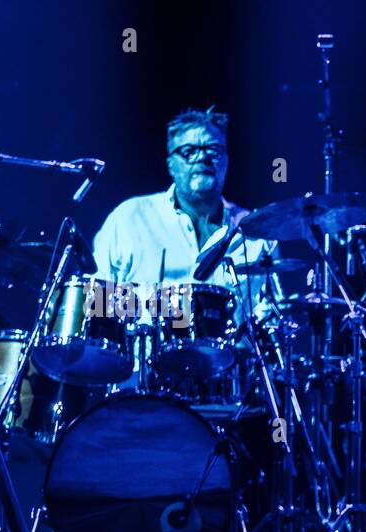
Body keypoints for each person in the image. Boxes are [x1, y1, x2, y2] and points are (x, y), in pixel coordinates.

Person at [92, 107, 279, 383]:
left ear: (227, 159)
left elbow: (269, 318)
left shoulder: (256, 234)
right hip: (140, 382)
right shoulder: (129, 218)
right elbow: (99, 306)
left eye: (213, 150)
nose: (202, 157)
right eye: (189, 151)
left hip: (227, 387)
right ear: (171, 163)